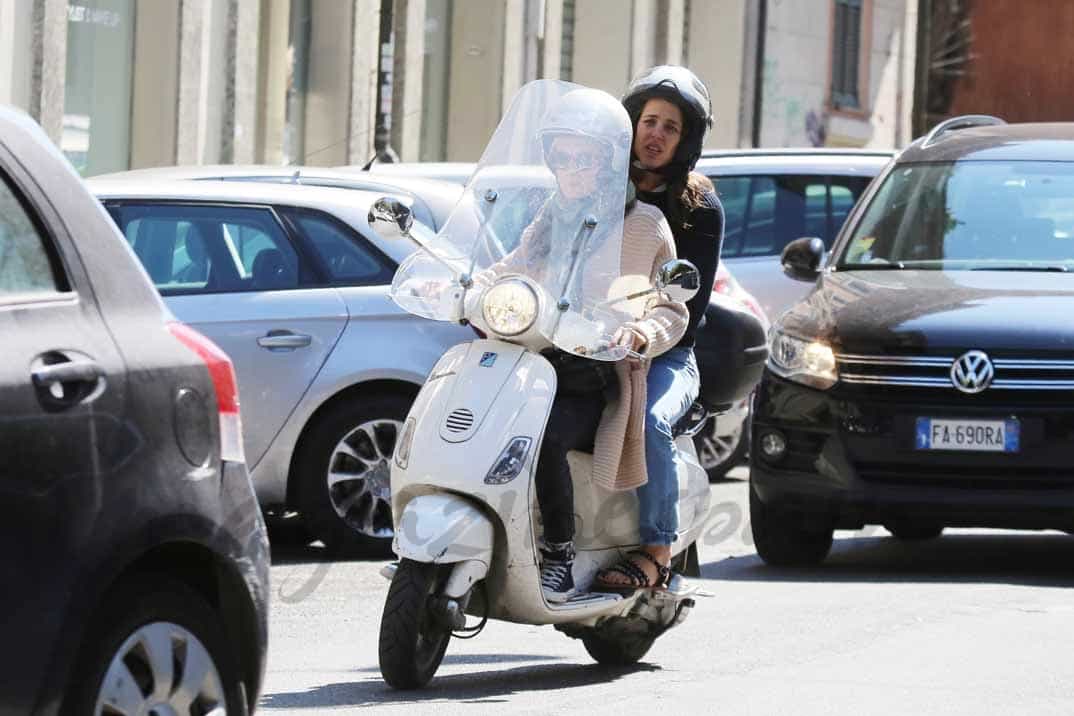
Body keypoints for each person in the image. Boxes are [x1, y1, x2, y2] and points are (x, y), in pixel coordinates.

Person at [474, 87, 689, 602]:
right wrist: (470, 286)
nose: (570, 169)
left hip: (595, 378)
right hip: (534, 364)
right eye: (561, 157)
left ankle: (559, 555)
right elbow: (513, 266)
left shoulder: (642, 224)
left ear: (609, 161)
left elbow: (670, 308)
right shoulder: (552, 214)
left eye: (583, 158)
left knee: (542, 438)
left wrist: (637, 332)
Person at [595, 66, 723, 592]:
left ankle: (657, 550)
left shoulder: (699, 209)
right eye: (649, 121)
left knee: (649, 421)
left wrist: (645, 335)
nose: (655, 135)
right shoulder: (600, 190)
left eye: (670, 127)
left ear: (685, 140)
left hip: (667, 353)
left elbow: (683, 308)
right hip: (594, 342)